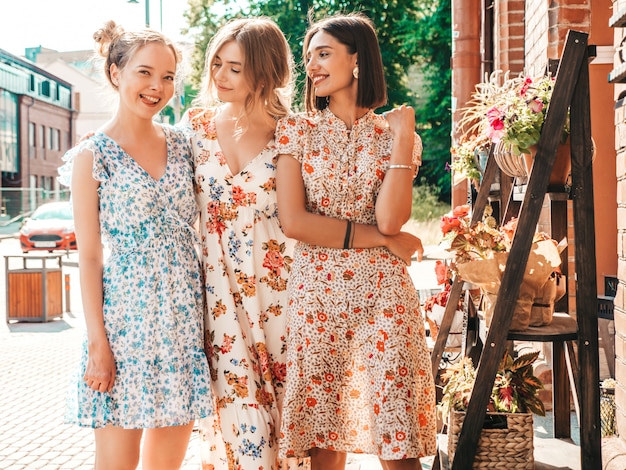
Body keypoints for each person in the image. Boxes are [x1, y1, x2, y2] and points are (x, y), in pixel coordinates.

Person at [275, 13, 437, 469]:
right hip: (317, 295)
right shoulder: (297, 131)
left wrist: (402, 141)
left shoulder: (397, 135)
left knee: (397, 435)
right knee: (325, 438)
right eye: (309, 57)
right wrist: (386, 243)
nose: (312, 65)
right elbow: (295, 223)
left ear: (358, 60)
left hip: (384, 298)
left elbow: (391, 219)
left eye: (323, 54)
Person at [58, 21, 212, 470]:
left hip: (182, 326)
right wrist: (98, 345)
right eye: (144, 73)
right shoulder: (92, 155)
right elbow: (88, 258)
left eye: (167, 77)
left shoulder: (185, 145)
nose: (156, 87)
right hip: (125, 330)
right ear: (115, 73)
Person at [182, 18, 307, 469]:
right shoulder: (194, 127)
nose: (219, 75)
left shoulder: (294, 131)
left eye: (234, 67)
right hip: (217, 294)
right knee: (237, 415)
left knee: (290, 409)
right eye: (216, 63)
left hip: (282, 293)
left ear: (265, 70)